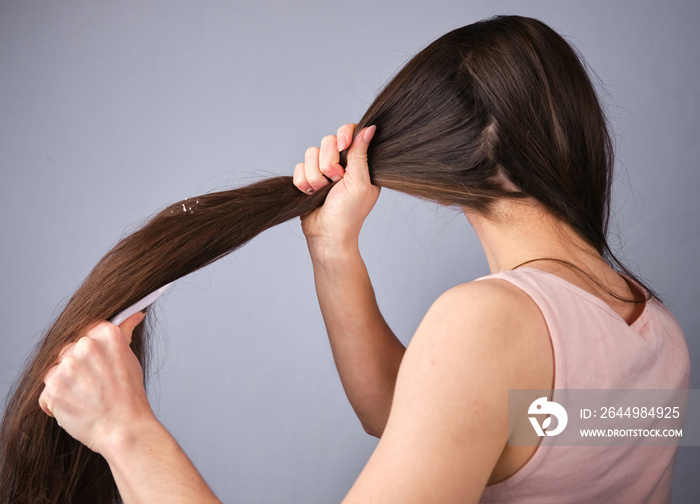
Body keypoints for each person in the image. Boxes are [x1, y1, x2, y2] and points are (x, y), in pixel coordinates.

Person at [37, 15, 690, 503]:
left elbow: (461, 404)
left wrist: (125, 432)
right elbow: (429, 419)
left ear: (443, 165)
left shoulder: (490, 325)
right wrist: (332, 249)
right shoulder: (658, 331)